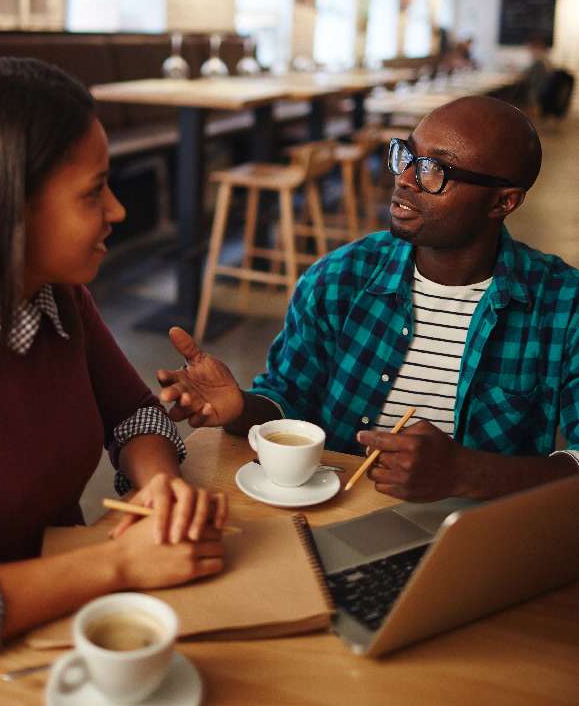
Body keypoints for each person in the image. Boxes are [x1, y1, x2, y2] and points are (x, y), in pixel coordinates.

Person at [0, 59, 227, 672]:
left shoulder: (56, 296)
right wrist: (120, 563)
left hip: (64, 616)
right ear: (8, 209)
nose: (118, 210)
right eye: (93, 191)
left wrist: (157, 486)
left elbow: (134, 414)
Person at [158, 96, 578, 505]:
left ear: (504, 201)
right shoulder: (339, 278)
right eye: (406, 155)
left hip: (477, 531)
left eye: (435, 170)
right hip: (339, 509)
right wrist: (240, 408)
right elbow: (288, 398)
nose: (405, 179)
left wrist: (467, 473)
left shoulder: (562, 304)